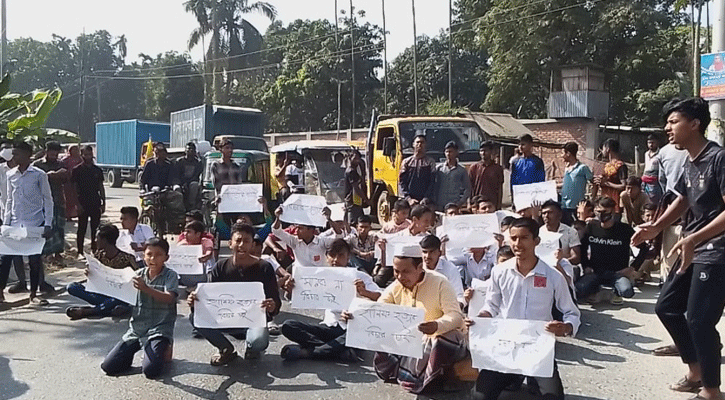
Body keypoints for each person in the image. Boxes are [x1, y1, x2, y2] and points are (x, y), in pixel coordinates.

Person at [632, 97, 725, 400]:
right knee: (667, 307)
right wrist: (655, 227)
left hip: (716, 251)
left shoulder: (718, 159)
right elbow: (683, 200)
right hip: (692, 247)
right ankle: (695, 372)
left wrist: (695, 238)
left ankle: (711, 391)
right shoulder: (689, 161)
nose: (667, 128)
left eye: (673, 121)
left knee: (700, 321)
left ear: (695, 124)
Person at [470, 217, 581, 400]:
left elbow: (571, 312)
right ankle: (514, 377)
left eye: (524, 238)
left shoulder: (553, 276)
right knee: (479, 396)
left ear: (536, 241)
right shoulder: (500, 271)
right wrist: (480, 318)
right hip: (505, 345)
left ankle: (527, 379)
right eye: (513, 238)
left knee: (552, 397)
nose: (517, 244)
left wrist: (566, 327)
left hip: (538, 349)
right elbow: (491, 305)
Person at [346, 243, 466, 394]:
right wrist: (354, 315)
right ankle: (416, 374)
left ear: (420, 267)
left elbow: (456, 316)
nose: (400, 277)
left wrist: (437, 325)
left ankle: (432, 378)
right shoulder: (396, 286)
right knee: (384, 337)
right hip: (412, 340)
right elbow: (378, 310)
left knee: (441, 340)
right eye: (396, 271)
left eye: (406, 271)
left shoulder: (440, 282)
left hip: (437, 338)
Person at [188, 223, 281, 364]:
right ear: (230, 244)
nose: (242, 245)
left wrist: (272, 306)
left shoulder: (264, 268)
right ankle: (225, 348)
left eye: (247, 241)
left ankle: (252, 348)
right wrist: (195, 302)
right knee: (194, 317)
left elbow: (275, 302)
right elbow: (209, 299)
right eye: (238, 240)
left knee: (258, 341)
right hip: (226, 319)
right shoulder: (220, 267)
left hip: (253, 321)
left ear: (252, 245)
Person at [280, 239, 380, 361]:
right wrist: (291, 289)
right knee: (288, 326)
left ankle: (309, 352)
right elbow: (304, 297)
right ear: (326, 257)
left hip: (351, 327)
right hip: (329, 326)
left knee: (356, 336)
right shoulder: (319, 276)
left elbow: (381, 297)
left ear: (348, 257)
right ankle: (336, 351)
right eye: (332, 255)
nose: (335, 260)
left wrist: (364, 293)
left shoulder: (360, 277)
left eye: (341, 255)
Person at [101, 237, 177, 379]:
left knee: (151, 371)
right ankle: (132, 354)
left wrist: (146, 288)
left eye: (158, 255)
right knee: (108, 367)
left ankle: (164, 347)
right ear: (143, 256)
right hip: (137, 329)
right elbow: (114, 286)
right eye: (149, 254)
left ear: (166, 258)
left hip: (159, 329)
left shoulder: (170, 276)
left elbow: (170, 298)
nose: (153, 259)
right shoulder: (137, 275)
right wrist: (94, 276)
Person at [0, 141, 54, 305]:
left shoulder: (39, 175)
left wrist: (48, 223)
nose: (14, 157)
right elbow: (9, 200)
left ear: (27, 155)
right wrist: (5, 224)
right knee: (5, 259)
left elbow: (47, 200)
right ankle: (0, 293)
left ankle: (34, 294)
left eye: (16, 154)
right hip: (14, 224)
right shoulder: (10, 175)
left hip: (34, 223)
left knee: (34, 261)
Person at [576, 197, 647, 305]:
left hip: (617, 273)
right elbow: (582, 248)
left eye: (605, 211)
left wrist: (633, 268)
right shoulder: (591, 227)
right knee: (579, 289)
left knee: (627, 291)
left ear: (613, 211)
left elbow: (644, 248)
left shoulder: (625, 229)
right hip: (595, 272)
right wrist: (586, 266)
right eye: (598, 211)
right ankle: (597, 291)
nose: (601, 214)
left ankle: (615, 293)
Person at [66, 224, 138, 320]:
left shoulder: (128, 258)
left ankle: (90, 311)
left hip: (120, 295)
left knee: (118, 300)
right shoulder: (98, 256)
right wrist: (89, 274)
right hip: (102, 293)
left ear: (104, 240)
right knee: (72, 287)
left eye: (97, 238)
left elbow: (138, 279)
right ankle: (111, 308)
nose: (95, 241)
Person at [374, 205, 435, 287]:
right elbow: (386, 261)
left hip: (418, 270)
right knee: (378, 280)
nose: (429, 224)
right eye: (426, 221)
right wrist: (383, 250)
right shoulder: (399, 236)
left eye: (429, 221)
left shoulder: (428, 239)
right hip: (398, 268)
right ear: (415, 220)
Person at [271, 205, 340, 267]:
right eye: (297, 228)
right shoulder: (295, 242)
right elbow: (277, 231)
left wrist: (329, 219)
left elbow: (339, 236)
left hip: (320, 275)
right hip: (301, 275)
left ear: (310, 230)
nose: (297, 231)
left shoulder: (321, 242)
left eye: (300, 228)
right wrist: (278, 217)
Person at [32, 140, 67, 259]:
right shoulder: (37, 165)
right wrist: (49, 175)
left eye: (56, 154)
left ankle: (58, 252)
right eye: (52, 153)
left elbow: (66, 178)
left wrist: (56, 175)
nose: (54, 156)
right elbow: (33, 180)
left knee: (59, 226)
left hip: (58, 199)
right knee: (45, 227)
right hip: (41, 202)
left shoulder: (61, 164)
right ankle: (46, 252)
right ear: (46, 151)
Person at [72, 145, 105, 254]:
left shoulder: (97, 170)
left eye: (90, 154)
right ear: (82, 155)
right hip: (82, 202)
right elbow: (74, 189)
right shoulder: (77, 170)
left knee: (95, 228)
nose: (88, 157)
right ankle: (80, 251)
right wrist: (77, 204)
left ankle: (94, 250)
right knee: (82, 228)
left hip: (95, 201)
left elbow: (101, 187)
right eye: (85, 154)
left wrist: (103, 202)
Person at [419, 235, 465, 304]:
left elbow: (459, 296)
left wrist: (457, 305)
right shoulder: (417, 268)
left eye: (432, 252)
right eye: (425, 252)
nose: (427, 256)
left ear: (439, 253)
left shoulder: (450, 269)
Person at [211, 140, 246, 227]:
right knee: (222, 224)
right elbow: (216, 183)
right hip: (222, 198)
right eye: (227, 148)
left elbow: (239, 183)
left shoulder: (236, 165)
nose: (230, 150)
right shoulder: (216, 165)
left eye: (231, 148)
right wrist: (218, 197)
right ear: (221, 149)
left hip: (235, 199)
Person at [559, 142, 593, 225]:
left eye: (563, 153)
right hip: (564, 205)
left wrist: (593, 198)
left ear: (568, 154)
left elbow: (593, 182)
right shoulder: (567, 169)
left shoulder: (582, 168)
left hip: (576, 207)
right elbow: (566, 184)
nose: (561, 155)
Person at [433, 141, 471, 212]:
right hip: (439, 205)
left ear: (456, 153)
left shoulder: (461, 170)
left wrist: (460, 202)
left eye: (451, 152)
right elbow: (433, 186)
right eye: (446, 152)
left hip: (454, 205)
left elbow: (467, 189)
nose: (448, 154)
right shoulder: (439, 168)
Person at [399, 133, 435, 205]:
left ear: (426, 145)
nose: (420, 144)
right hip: (409, 201)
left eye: (422, 142)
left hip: (425, 201)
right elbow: (402, 182)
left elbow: (432, 182)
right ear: (413, 144)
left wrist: (426, 198)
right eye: (417, 142)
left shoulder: (430, 162)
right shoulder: (406, 162)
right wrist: (408, 199)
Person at [541, 200, 581, 266]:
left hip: (565, 267)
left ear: (559, 215)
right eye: (544, 213)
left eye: (550, 213)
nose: (546, 216)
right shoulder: (539, 233)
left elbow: (576, 257)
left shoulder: (570, 232)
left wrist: (560, 262)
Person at [177, 220, 215, 288]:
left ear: (198, 234)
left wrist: (204, 257)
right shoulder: (182, 244)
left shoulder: (205, 242)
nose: (185, 234)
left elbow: (208, 253)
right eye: (185, 231)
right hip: (184, 277)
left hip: (202, 276)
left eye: (188, 232)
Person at [510, 134, 546, 205]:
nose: (520, 147)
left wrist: (539, 198)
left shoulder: (537, 161)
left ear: (530, 145)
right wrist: (513, 199)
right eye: (519, 144)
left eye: (523, 144)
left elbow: (541, 181)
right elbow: (512, 181)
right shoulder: (515, 162)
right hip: (519, 196)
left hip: (532, 197)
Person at [469, 141, 505, 210]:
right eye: (481, 151)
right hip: (477, 203)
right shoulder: (474, 167)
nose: (483, 153)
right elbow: (470, 187)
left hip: (491, 203)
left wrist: (499, 205)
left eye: (486, 151)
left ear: (491, 152)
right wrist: (469, 203)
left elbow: (499, 188)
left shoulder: (497, 168)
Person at [593, 138, 628, 208]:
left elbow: (623, 186)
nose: (602, 151)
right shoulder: (606, 165)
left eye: (603, 148)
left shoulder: (620, 166)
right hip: (604, 200)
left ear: (608, 149)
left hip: (615, 202)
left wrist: (607, 183)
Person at [174, 142, 203, 211]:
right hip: (180, 182)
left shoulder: (198, 162)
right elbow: (176, 175)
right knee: (176, 188)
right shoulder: (179, 161)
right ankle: (178, 207)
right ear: (185, 150)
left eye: (192, 149)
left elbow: (197, 175)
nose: (190, 151)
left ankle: (191, 205)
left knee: (194, 185)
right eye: (189, 149)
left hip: (192, 182)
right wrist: (182, 183)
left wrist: (188, 183)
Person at [344, 150, 368, 226]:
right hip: (352, 201)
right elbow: (356, 188)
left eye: (358, 159)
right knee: (353, 223)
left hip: (356, 201)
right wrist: (366, 199)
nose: (357, 161)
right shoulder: (351, 171)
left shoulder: (355, 170)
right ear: (350, 158)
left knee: (359, 221)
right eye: (355, 158)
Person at [61, 144, 83, 221]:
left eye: (77, 149)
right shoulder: (65, 160)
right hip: (68, 182)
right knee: (69, 199)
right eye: (73, 149)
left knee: (78, 198)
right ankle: (68, 216)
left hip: (79, 182)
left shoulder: (80, 159)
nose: (75, 151)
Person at [642, 134, 663, 204]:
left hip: (655, 182)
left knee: (654, 201)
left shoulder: (661, 154)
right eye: (649, 143)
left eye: (653, 142)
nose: (651, 145)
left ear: (657, 143)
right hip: (645, 181)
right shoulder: (646, 154)